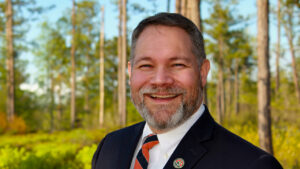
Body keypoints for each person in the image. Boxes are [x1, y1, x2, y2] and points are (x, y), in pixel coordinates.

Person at [92, 13, 283, 169]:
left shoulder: (252, 165)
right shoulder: (110, 146)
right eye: (146, 65)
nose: (161, 80)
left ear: (203, 72)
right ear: (130, 72)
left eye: (177, 64)